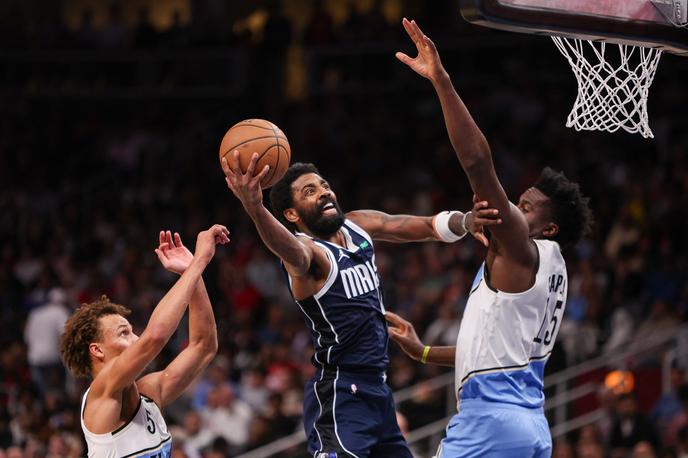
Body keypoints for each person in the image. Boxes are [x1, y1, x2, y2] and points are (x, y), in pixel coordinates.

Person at [388, 18, 593, 457]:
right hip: (529, 426)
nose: (513, 212)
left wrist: (441, 82)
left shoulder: (523, 249)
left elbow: (478, 164)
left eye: (525, 207)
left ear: (548, 228)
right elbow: (485, 355)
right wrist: (422, 352)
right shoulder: (546, 269)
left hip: (491, 423)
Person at [221, 153, 500, 457]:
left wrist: (465, 220)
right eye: (309, 191)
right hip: (341, 392)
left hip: (378, 390)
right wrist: (255, 207)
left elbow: (420, 225)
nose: (324, 192)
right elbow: (288, 250)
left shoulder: (356, 224)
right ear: (292, 215)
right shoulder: (309, 253)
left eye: (323, 185)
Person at [59, 225, 229, 457]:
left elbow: (204, 346)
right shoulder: (101, 393)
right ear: (97, 350)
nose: (136, 338)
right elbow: (155, 336)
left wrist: (191, 273)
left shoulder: (149, 393)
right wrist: (200, 261)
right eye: (124, 333)